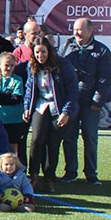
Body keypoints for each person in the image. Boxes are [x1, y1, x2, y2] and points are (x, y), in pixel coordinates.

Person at [22, 36, 77, 195]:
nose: (40, 56)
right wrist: (27, 107)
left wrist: (66, 112)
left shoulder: (63, 65)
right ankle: (33, 176)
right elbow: (29, 89)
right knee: (36, 140)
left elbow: (73, 90)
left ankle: (49, 178)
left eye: (43, 52)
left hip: (58, 108)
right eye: (37, 52)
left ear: (49, 51)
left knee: (53, 144)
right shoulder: (31, 66)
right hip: (40, 106)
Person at [62, 17, 111, 186]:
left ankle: (91, 174)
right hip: (72, 101)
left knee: (90, 138)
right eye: (75, 29)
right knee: (69, 137)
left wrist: (97, 101)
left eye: (80, 30)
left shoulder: (102, 51)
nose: (76, 33)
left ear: (90, 31)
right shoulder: (67, 46)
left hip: (91, 103)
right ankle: (70, 172)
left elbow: (104, 79)